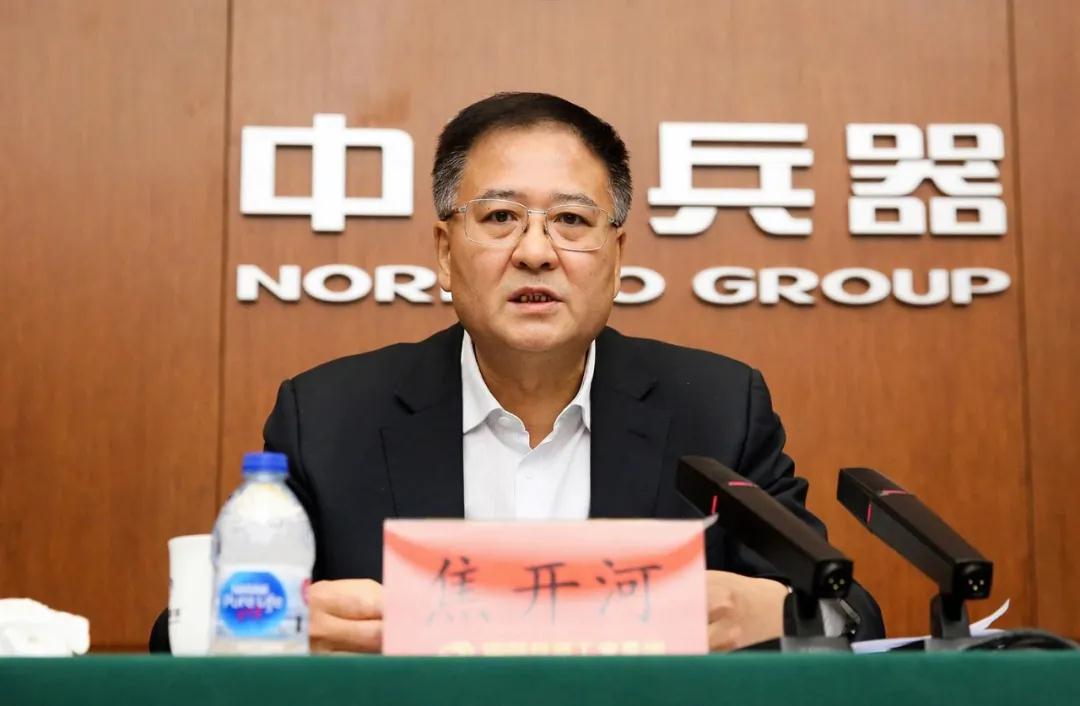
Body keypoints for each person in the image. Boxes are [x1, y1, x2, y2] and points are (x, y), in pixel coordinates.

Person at [150, 92, 883, 653]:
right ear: (445, 253)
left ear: (617, 257)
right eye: (500, 217)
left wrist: (787, 612)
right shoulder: (330, 417)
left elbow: (856, 612)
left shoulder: (717, 410)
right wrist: (282, 626)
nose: (535, 252)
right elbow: (178, 629)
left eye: (572, 221)